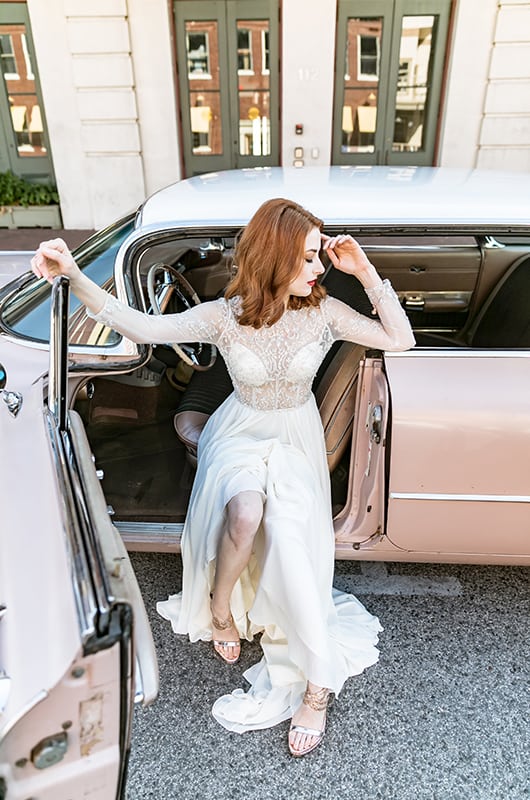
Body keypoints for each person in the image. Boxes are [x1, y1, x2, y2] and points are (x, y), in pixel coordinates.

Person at [32, 198, 415, 757]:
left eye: (320, 256)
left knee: (288, 537)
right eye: (309, 257)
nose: (320, 267)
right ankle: (219, 610)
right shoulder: (223, 315)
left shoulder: (327, 312)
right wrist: (71, 276)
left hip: (293, 439)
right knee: (245, 513)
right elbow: (139, 325)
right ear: (276, 257)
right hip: (238, 432)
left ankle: (316, 686)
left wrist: (365, 272)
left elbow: (399, 339)